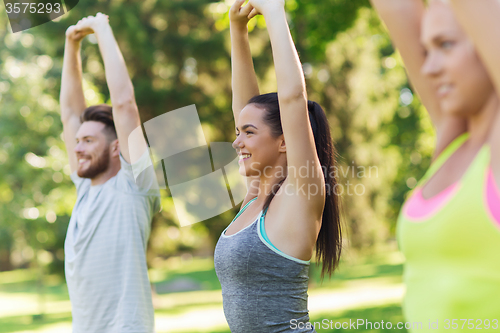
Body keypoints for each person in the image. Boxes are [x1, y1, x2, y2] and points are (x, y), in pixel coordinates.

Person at [213, 0, 342, 331]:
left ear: (284, 141)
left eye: (249, 134)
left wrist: (273, 12)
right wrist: (237, 30)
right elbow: (244, 108)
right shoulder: (255, 198)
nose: (236, 142)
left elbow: (292, 99)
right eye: (237, 132)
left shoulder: (302, 192)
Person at [371, 0, 500, 330]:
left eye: (445, 45)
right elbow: (394, 7)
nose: (428, 68)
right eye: (426, 50)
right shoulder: (453, 139)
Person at [60, 13, 160, 333]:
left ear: (117, 147)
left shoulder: (134, 184)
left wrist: (101, 28)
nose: (77, 148)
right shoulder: (84, 187)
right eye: (77, 141)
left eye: (88, 141)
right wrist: (71, 45)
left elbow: (124, 103)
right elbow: (69, 114)